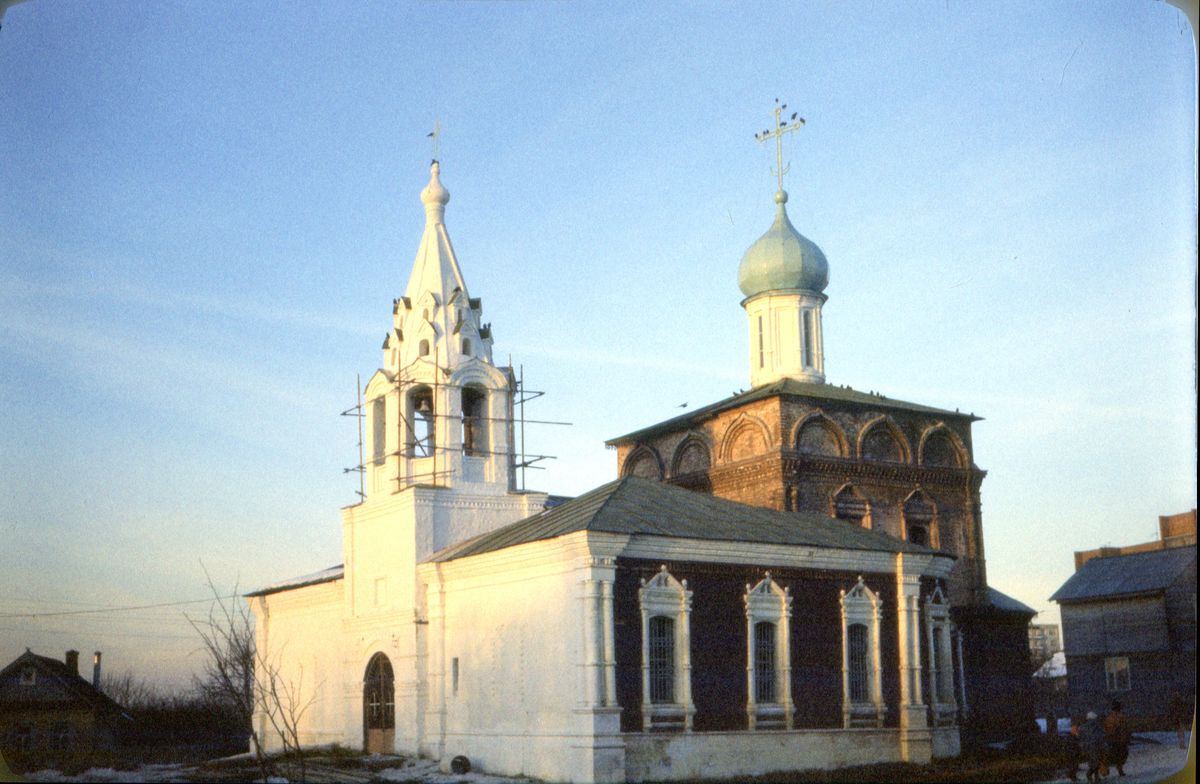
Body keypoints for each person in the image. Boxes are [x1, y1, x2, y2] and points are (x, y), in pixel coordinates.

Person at [1104, 699, 1132, 776]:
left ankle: (1108, 770)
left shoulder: (1109, 717)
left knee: (1113, 755)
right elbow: (1125, 728)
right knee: (1120, 755)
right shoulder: (1120, 717)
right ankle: (1119, 770)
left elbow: (1108, 729)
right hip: (1119, 740)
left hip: (1113, 740)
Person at [1078, 710, 1107, 783]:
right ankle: (1091, 775)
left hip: (1087, 748)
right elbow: (1102, 736)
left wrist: (1082, 747)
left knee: (1092, 762)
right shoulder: (1097, 727)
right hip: (1096, 747)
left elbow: (1080, 738)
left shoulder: (1082, 727)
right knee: (1096, 762)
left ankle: (1095, 777)